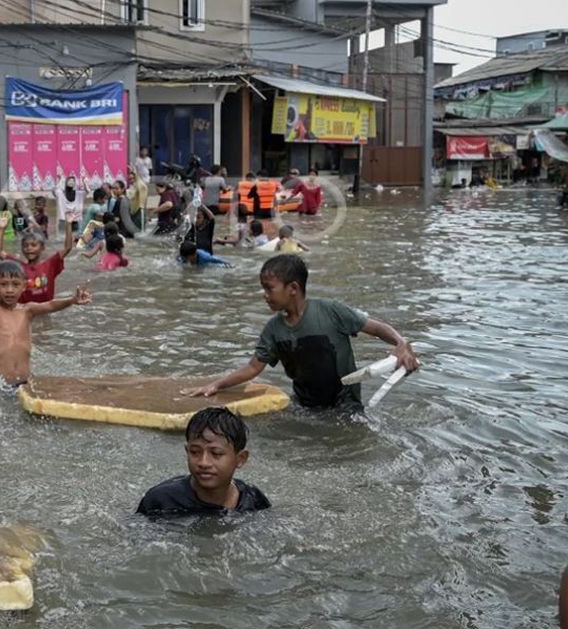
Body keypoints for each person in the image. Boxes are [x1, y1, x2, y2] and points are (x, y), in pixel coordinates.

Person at [183, 255, 420, 409]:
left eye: (269, 289)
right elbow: (253, 367)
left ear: (293, 288)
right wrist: (216, 385)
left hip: (345, 407)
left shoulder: (331, 311)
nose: (264, 295)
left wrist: (401, 344)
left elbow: (377, 328)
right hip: (305, 407)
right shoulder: (273, 330)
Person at [0, 226, 91, 391]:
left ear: (24, 287)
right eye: (3, 285)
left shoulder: (27, 310)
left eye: (15, 285)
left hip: (25, 384)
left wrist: (72, 300)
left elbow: (50, 305)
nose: (9, 290)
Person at [136, 408, 270, 519]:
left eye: (216, 453)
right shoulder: (161, 501)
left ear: (240, 459)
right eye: (195, 452)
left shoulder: (253, 500)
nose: (204, 462)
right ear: (187, 451)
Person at [0, 212, 75, 304]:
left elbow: (68, 248)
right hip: (24, 310)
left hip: (45, 309)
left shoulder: (50, 264)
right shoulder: (18, 266)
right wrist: (1, 229)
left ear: (42, 247)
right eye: (25, 246)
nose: (29, 248)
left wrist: (68, 224)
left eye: (33, 245)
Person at [128, 165, 149, 231]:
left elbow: (140, 186)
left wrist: (135, 173)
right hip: (132, 211)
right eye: (129, 179)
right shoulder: (131, 187)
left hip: (139, 211)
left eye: (132, 178)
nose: (131, 180)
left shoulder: (141, 186)